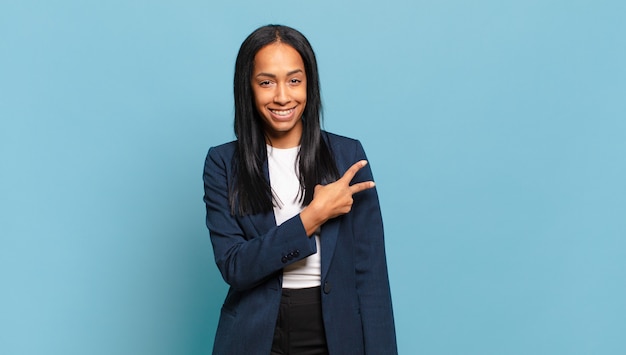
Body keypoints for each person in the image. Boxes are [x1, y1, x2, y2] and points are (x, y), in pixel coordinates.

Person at [203, 24, 397, 355]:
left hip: (335, 329)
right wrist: (311, 218)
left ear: (310, 84)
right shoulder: (223, 163)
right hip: (255, 332)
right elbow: (235, 266)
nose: (282, 96)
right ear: (247, 88)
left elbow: (371, 277)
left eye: (294, 80)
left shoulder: (347, 156)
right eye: (266, 82)